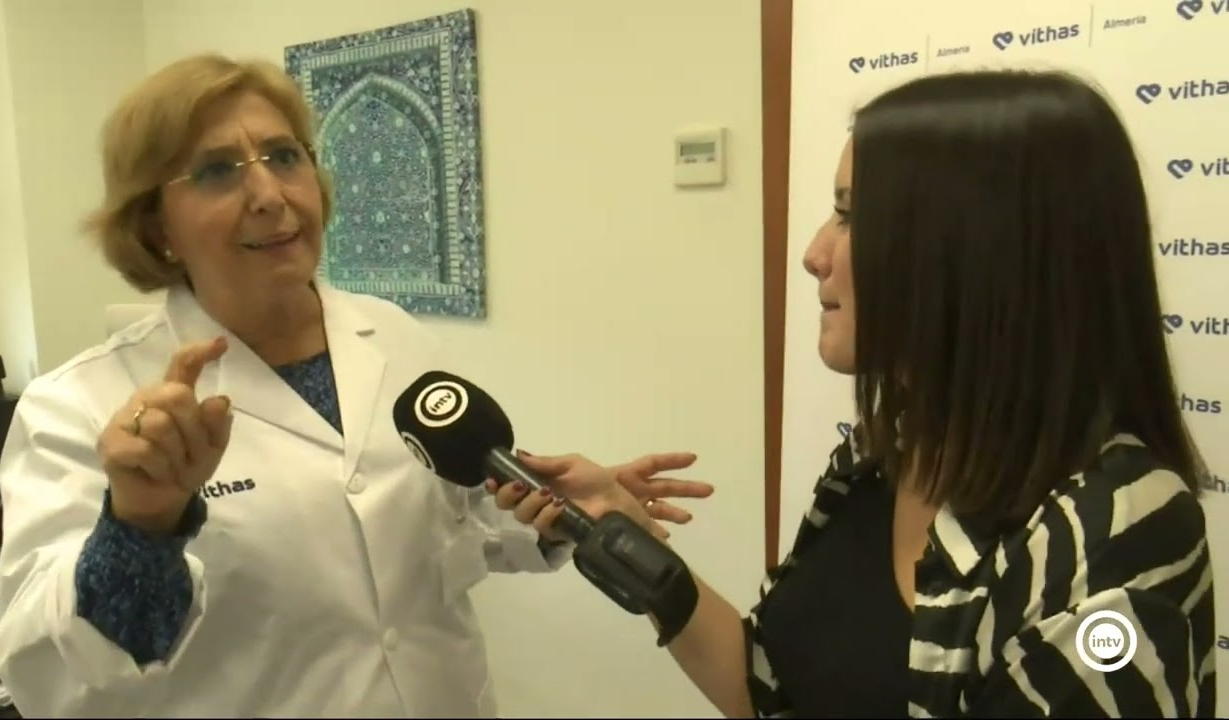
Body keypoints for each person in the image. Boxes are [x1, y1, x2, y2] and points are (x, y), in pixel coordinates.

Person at [0, 53, 713, 718]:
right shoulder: (80, 408)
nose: (269, 193)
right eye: (217, 171)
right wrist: (139, 527)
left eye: (284, 156)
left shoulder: (392, 337)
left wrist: (557, 511)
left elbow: (454, 516)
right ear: (156, 228)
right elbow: (46, 676)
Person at [487, 69, 1217, 718]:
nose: (814, 254)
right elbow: (768, 688)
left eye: (851, 215)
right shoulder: (877, 459)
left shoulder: (1116, 535)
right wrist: (625, 537)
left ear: (976, 253)